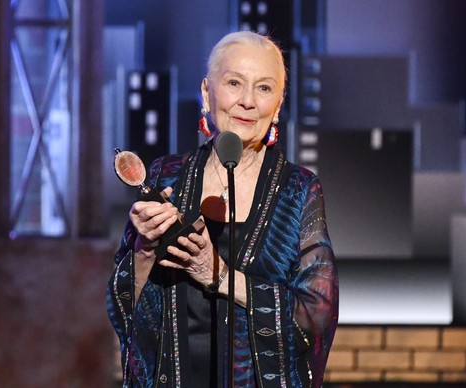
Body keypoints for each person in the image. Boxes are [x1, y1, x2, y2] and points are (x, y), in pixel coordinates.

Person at [107, 30, 338, 387]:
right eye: (234, 83)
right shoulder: (165, 176)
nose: (247, 101)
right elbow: (122, 306)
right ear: (206, 92)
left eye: (263, 88)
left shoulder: (299, 190)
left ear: (277, 105)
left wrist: (220, 276)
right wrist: (144, 250)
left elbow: (316, 313)